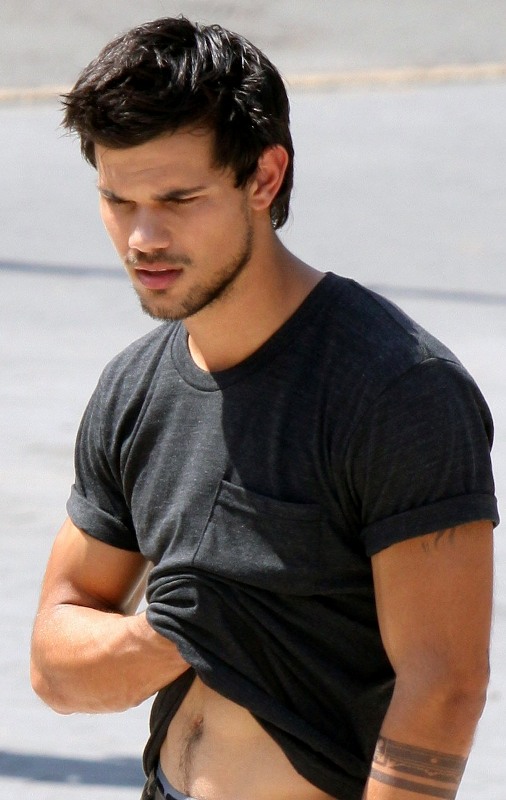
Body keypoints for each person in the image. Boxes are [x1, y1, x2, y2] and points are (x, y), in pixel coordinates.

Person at [30, 16, 499, 800]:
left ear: (264, 178)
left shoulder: (395, 389)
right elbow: (55, 664)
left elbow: (445, 686)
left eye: (179, 198)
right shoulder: (134, 388)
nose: (142, 236)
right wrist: (177, 632)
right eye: (118, 199)